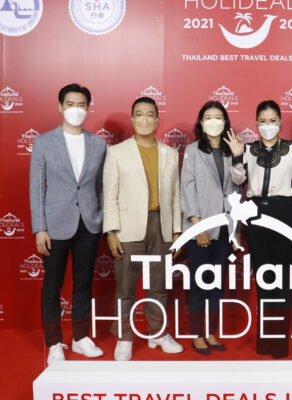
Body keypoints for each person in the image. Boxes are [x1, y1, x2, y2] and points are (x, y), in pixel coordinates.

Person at [29, 83, 106, 365]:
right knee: (53, 285)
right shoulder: (43, 142)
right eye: (70, 104)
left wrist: (102, 221)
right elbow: (36, 188)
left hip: (89, 224)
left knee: (83, 283)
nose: (76, 109)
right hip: (55, 224)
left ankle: (80, 337)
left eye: (81, 105)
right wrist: (40, 228)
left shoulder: (98, 144)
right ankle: (54, 343)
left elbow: (101, 187)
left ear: (88, 108)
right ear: (60, 107)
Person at [103, 96, 183, 360]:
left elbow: (176, 196)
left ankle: (157, 333)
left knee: (158, 286)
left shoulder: (170, 153)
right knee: (125, 288)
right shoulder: (116, 152)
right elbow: (109, 195)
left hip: (162, 225)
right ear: (132, 119)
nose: (144, 119)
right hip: (127, 228)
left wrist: (177, 230)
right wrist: (111, 231)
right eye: (139, 114)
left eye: (150, 115)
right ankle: (124, 337)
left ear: (157, 121)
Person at [228, 100, 292, 359]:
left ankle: (280, 343)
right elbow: (238, 180)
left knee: (283, 282)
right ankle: (265, 340)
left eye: (272, 121)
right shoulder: (248, 149)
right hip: (256, 215)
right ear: (256, 123)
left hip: (284, 213)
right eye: (263, 121)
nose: (268, 125)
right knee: (264, 281)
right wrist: (237, 155)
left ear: (280, 122)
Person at [180, 101, 241, 355]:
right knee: (199, 284)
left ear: (225, 122)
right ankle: (197, 334)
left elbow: (239, 183)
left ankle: (211, 332)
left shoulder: (232, 150)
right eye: (208, 117)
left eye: (218, 117)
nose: (213, 121)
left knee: (217, 284)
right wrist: (198, 227)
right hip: (201, 227)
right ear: (201, 122)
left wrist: (237, 155)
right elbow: (187, 189)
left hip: (225, 227)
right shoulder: (193, 151)